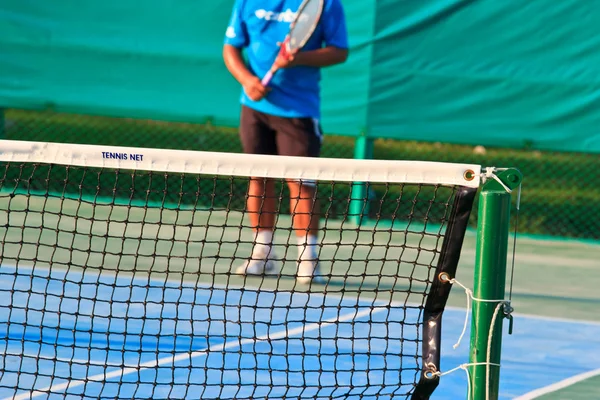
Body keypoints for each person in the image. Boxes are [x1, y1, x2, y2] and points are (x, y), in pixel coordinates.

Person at [223, 0, 348, 284]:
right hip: (254, 108)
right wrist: (246, 81)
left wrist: (298, 57)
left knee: (301, 184)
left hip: (298, 112)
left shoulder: (325, 4)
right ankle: (262, 254)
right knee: (258, 177)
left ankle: (307, 260)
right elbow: (230, 46)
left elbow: (340, 51)